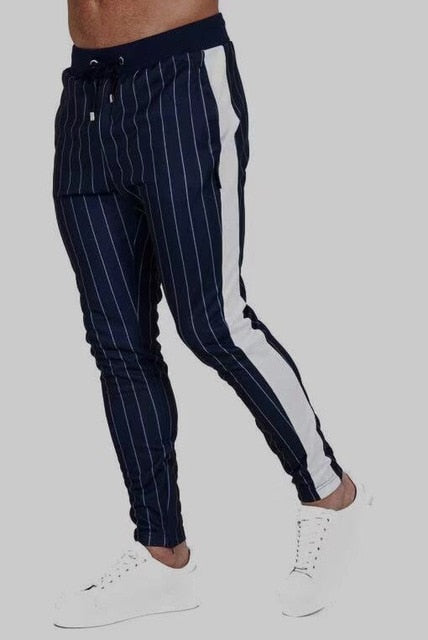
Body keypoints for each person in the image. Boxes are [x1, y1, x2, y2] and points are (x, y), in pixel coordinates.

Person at [52, 0, 372, 627]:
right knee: (118, 343)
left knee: (213, 323)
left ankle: (331, 496)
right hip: (86, 97)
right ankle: (162, 556)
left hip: (178, 81)